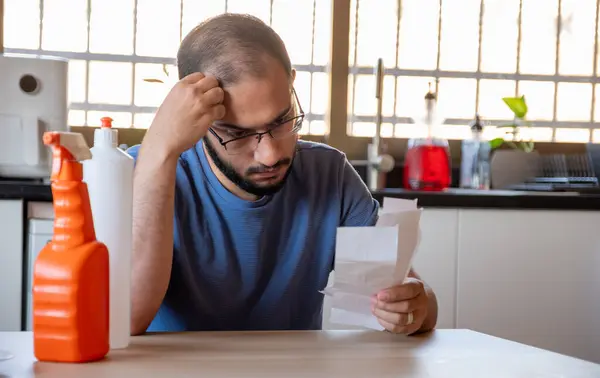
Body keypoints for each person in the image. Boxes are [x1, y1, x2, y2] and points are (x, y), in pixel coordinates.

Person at [127, 13, 438, 336]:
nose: (271, 154)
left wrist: (416, 305)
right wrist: (160, 152)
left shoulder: (329, 176)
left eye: (282, 121)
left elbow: (415, 298)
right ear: (200, 121)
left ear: (291, 85)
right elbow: (127, 319)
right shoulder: (146, 169)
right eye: (239, 134)